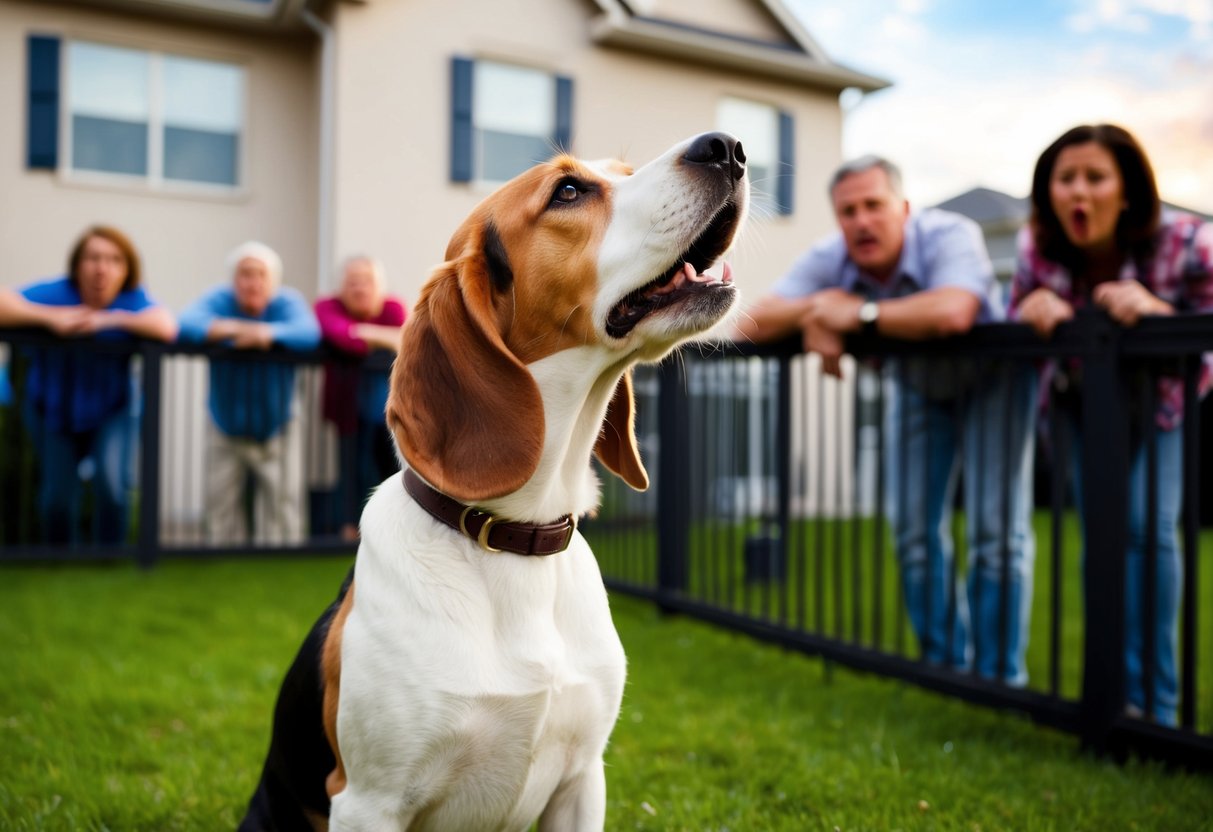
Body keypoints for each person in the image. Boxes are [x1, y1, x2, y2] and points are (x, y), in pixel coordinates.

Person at [736, 155, 1037, 684]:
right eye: (848, 211)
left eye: (874, 206)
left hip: (994, 381)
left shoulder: (951, 234)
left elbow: (953, 312)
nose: (861, 221)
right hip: (918, 387)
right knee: (912, 534)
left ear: (903, 208)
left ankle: (998, 679)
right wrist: (816, 308)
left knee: (997, 534)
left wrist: (856, 315)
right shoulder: (834, 256)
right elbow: (750, 323)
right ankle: (944, 667)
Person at [1010, 124, 1213, 725]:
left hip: (1165, 406)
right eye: (1065, 178)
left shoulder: (1188, 240)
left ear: (1127, 190)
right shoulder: (1035, 248)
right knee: (1101, 537)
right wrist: (1029, 309)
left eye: (1096, 177)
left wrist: (1159, 312)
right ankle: (1110, 697)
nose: (1079, 192)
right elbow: (1012, 310)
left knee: (1149, 528)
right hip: (1077, 406)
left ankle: (1160, 706)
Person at [6, 226, 177, 545]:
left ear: (127, 269)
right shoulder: (57, 293)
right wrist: (49, 318)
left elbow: (166, 326)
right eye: (93, 258)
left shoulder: (132, 299)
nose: (102, 268)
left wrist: (109, 320)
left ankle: (110, 559)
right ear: (77, 265)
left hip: (113, 411)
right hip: (51, 410)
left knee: (113, 487)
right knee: (56, 497)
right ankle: (58, 560)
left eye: (114, 260)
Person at [178, 241, 321, 545]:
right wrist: (234, 329)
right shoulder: (219, 298)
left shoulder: (287, 301)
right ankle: (218, 561)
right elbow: (186, 324)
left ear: (273, 280)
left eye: (260, 275)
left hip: (278, 423)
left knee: (283, 506)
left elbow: (308, 334)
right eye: (245, 274)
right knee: (219, 506)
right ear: (233, 279)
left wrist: (264, 334)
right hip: (224, 423)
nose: (252, 282)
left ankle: (281, 559)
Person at [314, 256, 407, 539]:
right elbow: (345, 340)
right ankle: (351, 531)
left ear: (380, 286)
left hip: (392, 413)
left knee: (393, 472)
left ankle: (392, 531)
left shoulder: (393, 308)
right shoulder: (327, 307)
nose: (359, 288)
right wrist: (382, 337)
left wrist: (365, 332)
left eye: (366, 282)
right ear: (341, 288)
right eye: (352, 282)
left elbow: (405, 338)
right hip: (348, 412)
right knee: (353, 471)